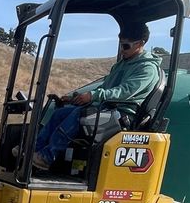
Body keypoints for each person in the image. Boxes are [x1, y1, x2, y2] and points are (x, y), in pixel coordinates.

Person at [32, 22, 161, 171]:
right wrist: (77, 97)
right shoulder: (121, 65)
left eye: (126, 46)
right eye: (121, 45)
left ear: (140, 44)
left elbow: (124, 92)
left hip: (122, 115)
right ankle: (32, 150)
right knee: (60, 114)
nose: (122, 49)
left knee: (80, 114)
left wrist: (93, 96)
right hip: (107, 109)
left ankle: (47, 157)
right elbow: (105, 88)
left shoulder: (147, 69)